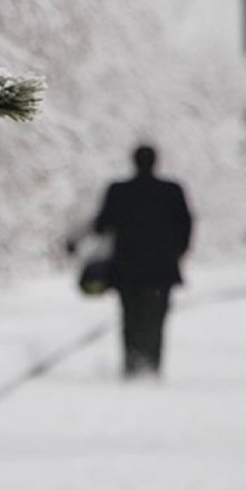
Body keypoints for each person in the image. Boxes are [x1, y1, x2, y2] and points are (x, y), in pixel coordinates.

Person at [77, 144, 193, 379]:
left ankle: (132, 363)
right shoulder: (171, 191)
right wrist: (176, 253)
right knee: (157, 317)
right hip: (161, 269)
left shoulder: (119, 191)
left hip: (127, 268)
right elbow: (186, 226)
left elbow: (102, 224)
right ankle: (152, 364)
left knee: (130, 316)